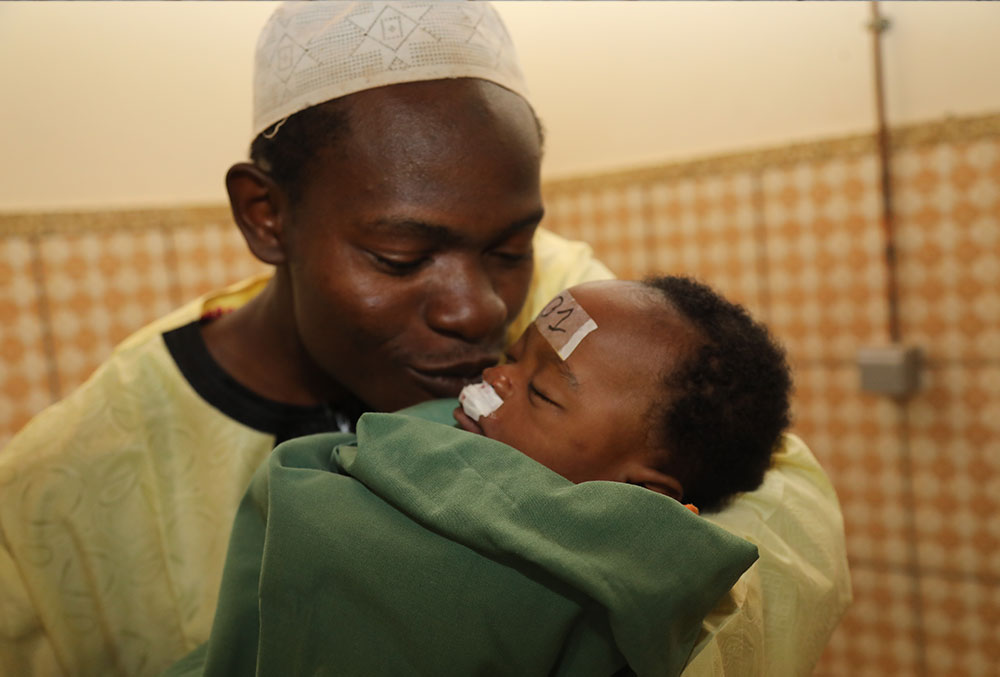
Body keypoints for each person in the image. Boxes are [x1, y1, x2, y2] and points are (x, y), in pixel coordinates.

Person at [0, 3, 849, 676]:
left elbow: (767, 496)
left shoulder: (562, 307)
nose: (479, 312)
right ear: (268, 215)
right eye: (400, 256)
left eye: (510, 247)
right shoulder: (62, 487)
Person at [164, 276, 786, 677]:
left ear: (639, 496)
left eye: (540, 391)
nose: (496, 378)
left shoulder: (602, 564)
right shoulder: (448, 428)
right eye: (515, 354)